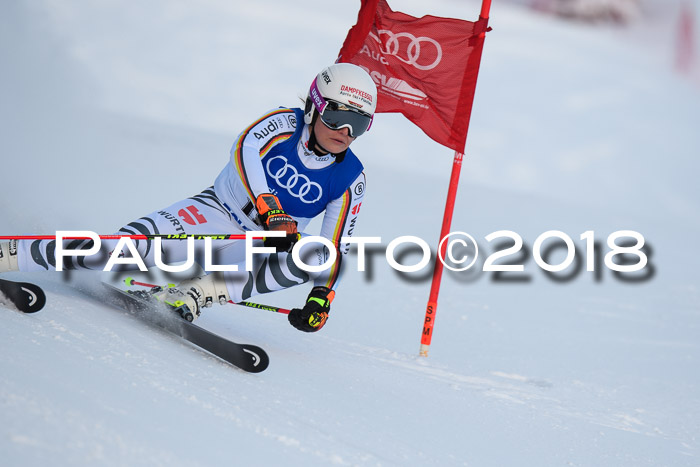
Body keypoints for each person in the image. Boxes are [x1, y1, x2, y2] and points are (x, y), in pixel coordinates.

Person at [0, 63, 377, 333]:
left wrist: (322, 297)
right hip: (214, 213)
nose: (345, 131)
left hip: (257, 249)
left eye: (358, 124)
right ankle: (14, 255)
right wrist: (269, 205)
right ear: (313, 106)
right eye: (337, 116)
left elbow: (336, 245)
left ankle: (199, 292)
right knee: (120, 251)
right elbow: (244, 149)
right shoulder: (283, 123)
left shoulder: (351, 177)